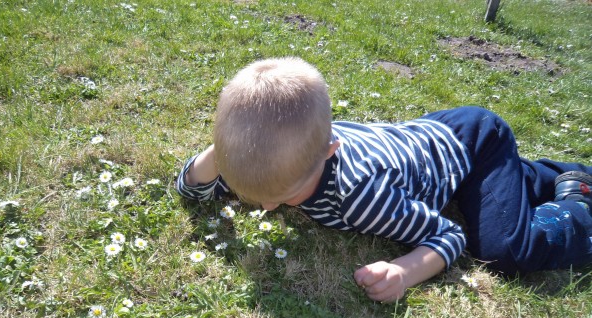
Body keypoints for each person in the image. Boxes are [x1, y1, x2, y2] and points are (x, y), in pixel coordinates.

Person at [176, 57, 592, 303]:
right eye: (251, 191)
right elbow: (190, 190)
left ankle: (576, 198)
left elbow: (447, 236)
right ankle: (534, 176)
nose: (265, 206)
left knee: (506, 251)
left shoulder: (359, 195)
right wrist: (223, 155)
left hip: (471, 146)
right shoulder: (274, 156)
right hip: (433, 136)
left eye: (282, 196)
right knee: (505, 191)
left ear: (329, 153)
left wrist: (405, 271)